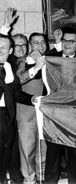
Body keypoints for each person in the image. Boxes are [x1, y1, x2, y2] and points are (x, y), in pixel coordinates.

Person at [44, 27, 76, 184]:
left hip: (74, 115)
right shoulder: (50, 58)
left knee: (74, 155)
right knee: (52, 154)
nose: (67, 44)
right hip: (53, 115)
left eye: (71, 41)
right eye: (65, 40)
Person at [0, 33, 35, 184]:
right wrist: (35, 69)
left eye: (3, 48)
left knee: (7, 156)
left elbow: (15, 92)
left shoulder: (9, 67)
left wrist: (33, 99)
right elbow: (9, 87)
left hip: (7, 117)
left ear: (10, 51)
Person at [16, 33, 48, 184]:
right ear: (30, 45)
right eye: (36, 43)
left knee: (43, 148)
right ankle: (29, 180)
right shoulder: (22, 61)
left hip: (44, 115)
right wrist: (36, 66)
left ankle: (40, 177)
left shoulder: (49, 60)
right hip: (26, 115)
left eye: (43, 43)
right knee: (27, 150)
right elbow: (21, 78)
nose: (40, 46)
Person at [7, 34, 28, 184]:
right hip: (8, 113)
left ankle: (16, 177)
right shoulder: (8, 63)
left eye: (24, 45)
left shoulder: (29, 60)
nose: (21, 48)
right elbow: (16, 92)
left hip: (23, 114)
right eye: (17, 45)